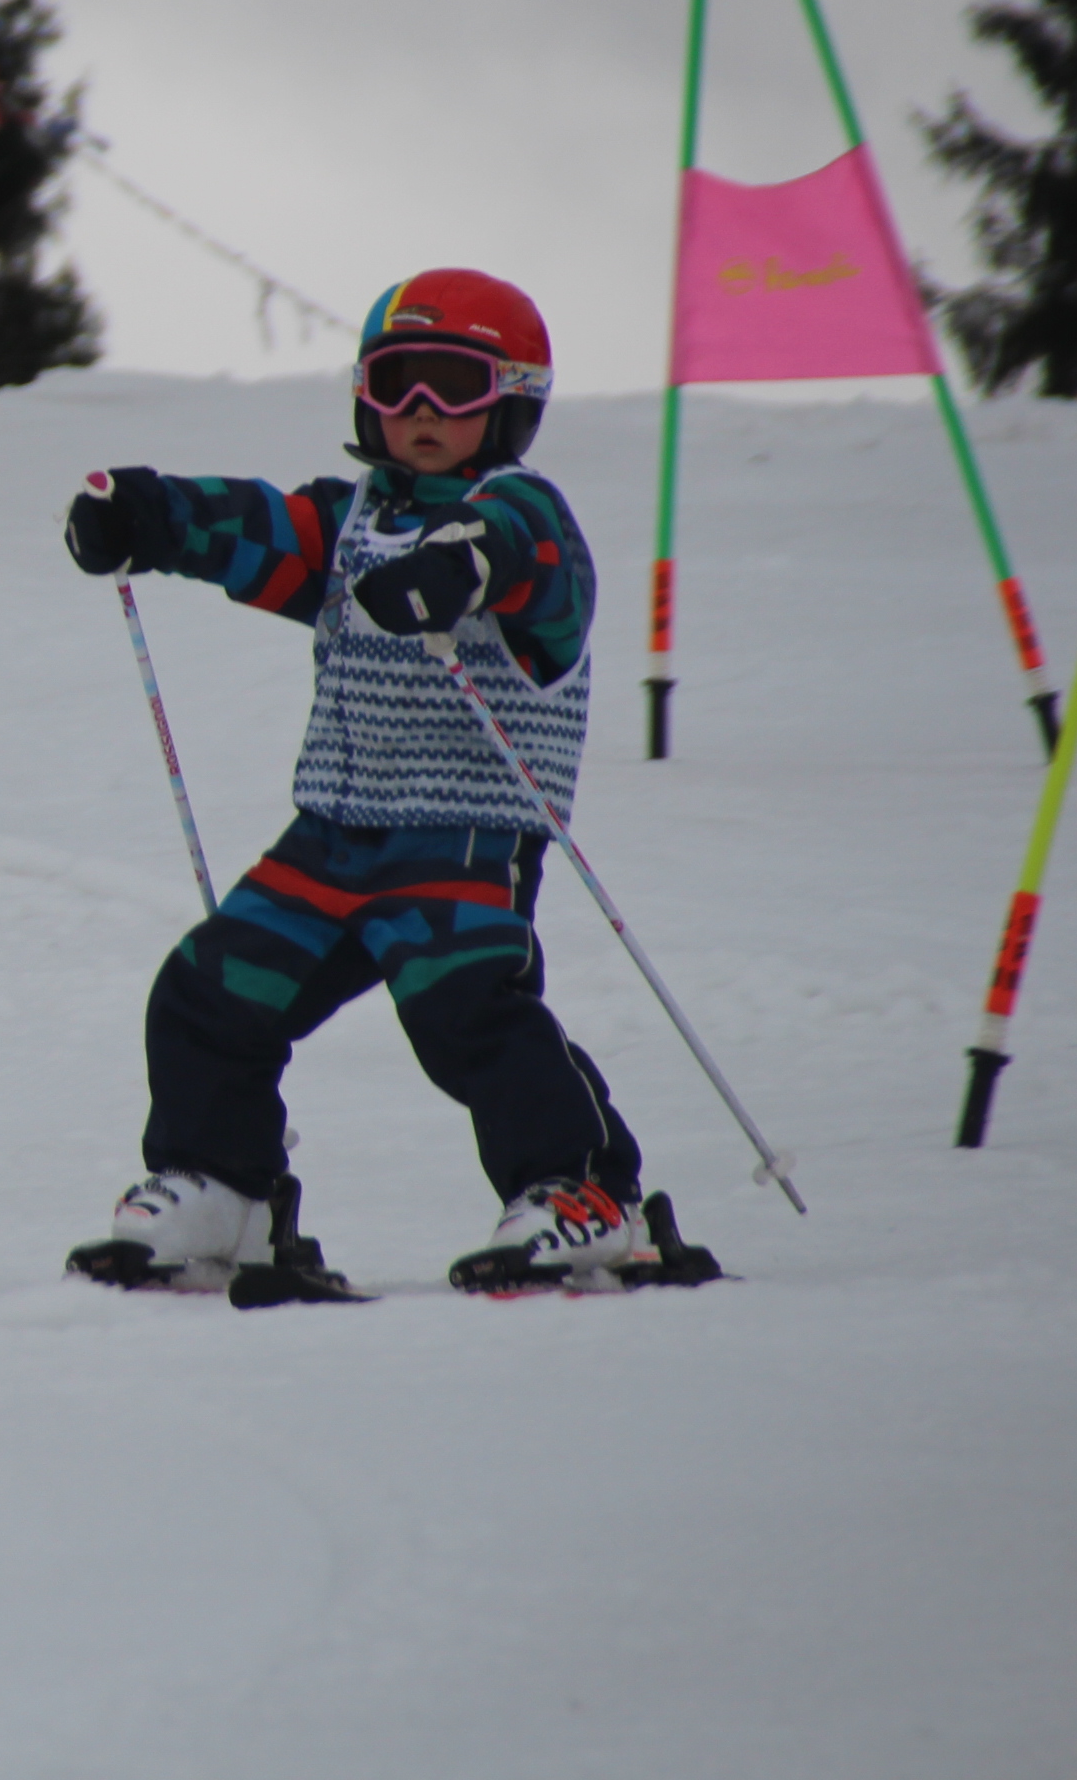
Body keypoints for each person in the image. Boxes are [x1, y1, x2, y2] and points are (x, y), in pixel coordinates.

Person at [58, 268, 645, 1291]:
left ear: (513, 400)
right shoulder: (353, 524)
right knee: (211, 990)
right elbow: (256, 530)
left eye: (451, 386)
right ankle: (224, 1190)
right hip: (335, 833)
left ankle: (581, 1191)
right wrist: (147, 515)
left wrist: (465, 567)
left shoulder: (521, 511)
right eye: (393, 380)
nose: (418, 409)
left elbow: (537, 569)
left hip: (463, 834)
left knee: (467, 1010)